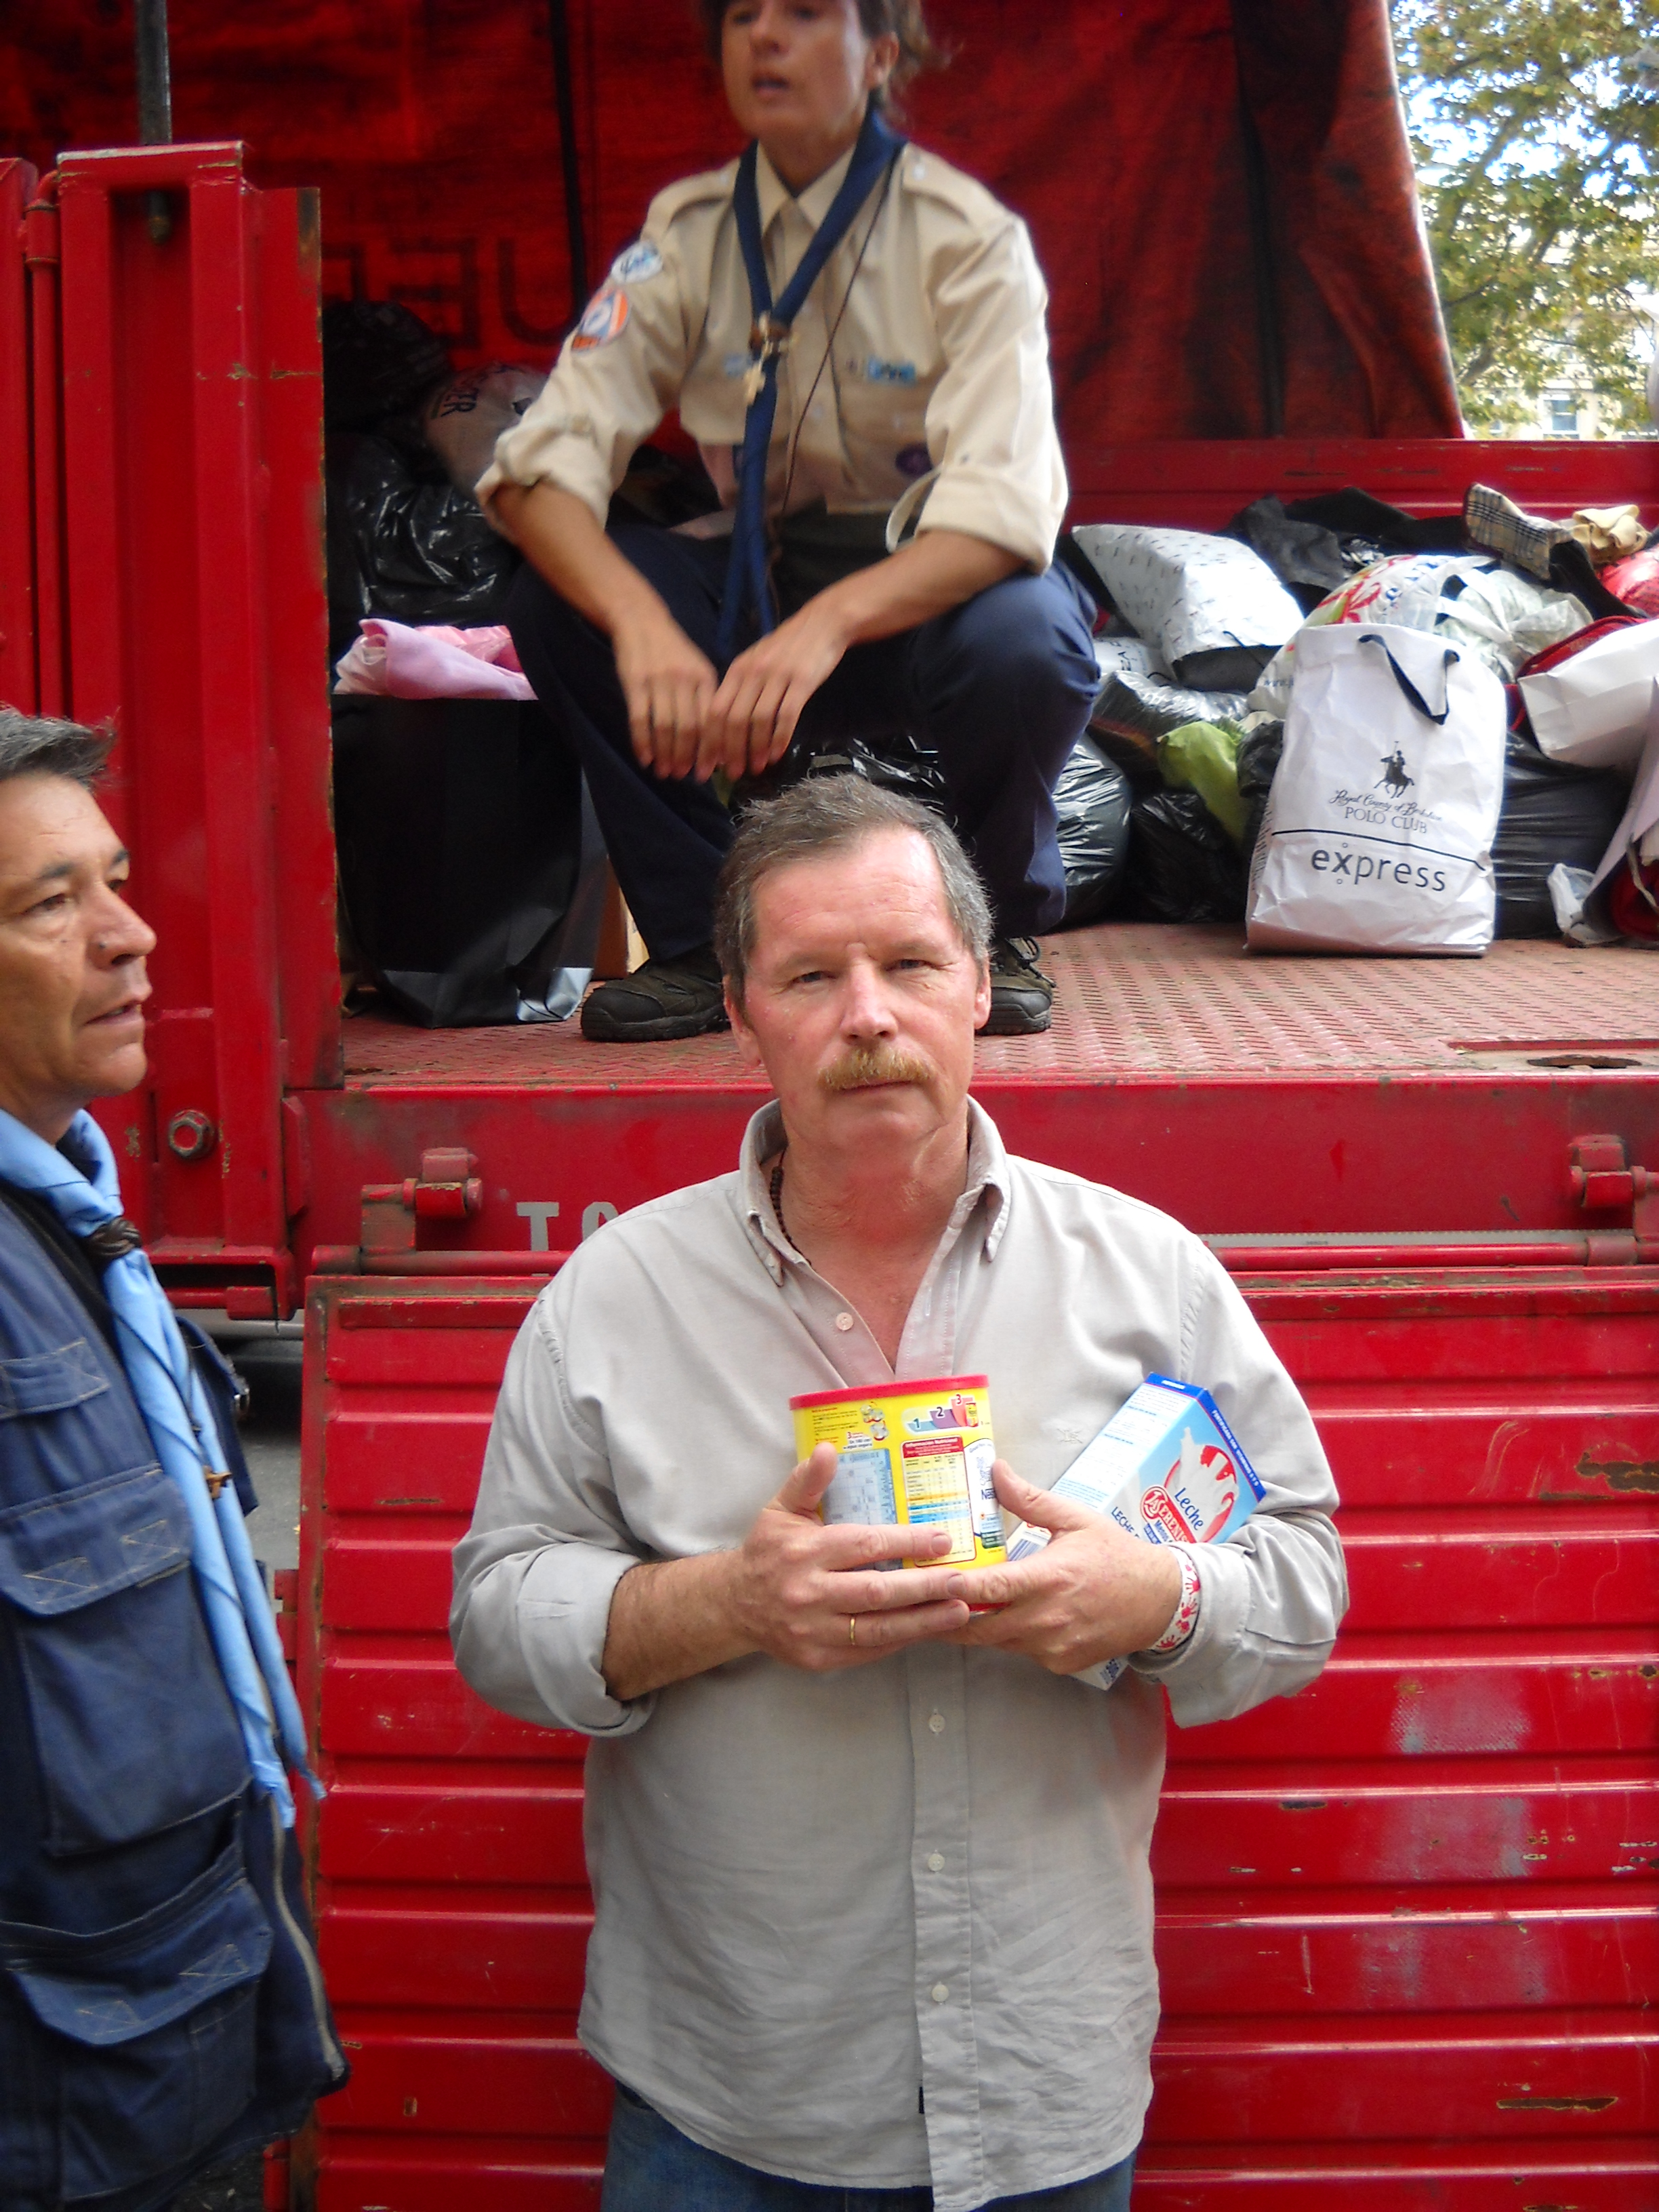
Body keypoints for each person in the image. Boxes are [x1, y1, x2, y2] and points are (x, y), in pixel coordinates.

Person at [451, 775, 1347, 2211]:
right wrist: (726, 1604)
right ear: (741, 1012)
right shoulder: (611, 1299)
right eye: (811, 975)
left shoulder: (1148, 1275)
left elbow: (1304, 1582)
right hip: (728, 2103)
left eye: (911, 965)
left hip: (1044, 2091)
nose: (868, 1016)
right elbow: (496, 1620)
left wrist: (1158, 1599)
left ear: (980, 989)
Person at [480, 0, 1100, 1042]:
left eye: (806, 14)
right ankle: (698, 939)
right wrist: (639, 622)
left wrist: (825, 627)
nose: (763, 37)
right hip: (754, 585)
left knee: (1026, 638)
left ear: (880, 58)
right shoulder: (687, 234)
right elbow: (539, 468)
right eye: (741, 18)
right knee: (555, 602)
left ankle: (994, 932)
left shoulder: (967, 237)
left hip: (927, 582)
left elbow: (1005, 508)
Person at [0, 713, 346, 2212]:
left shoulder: (74, 1208)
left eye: (115, 879)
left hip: (162, 2059)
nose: (133, 936)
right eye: (48, 905)